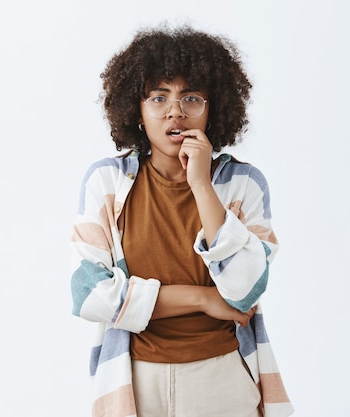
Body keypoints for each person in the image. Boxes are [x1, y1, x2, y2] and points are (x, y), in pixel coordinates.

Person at [70, 25, 293, 417]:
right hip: (135, 379)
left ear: (213, 109)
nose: (175, 111)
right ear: (137, 111)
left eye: (192, 98)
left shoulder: (243, 185)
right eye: (159, 97)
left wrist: (203, 186)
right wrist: (203, 299)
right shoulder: (107, 184)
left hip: (221, 376)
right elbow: (89, 295)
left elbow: (244, 291)